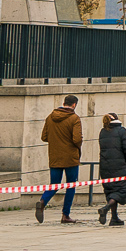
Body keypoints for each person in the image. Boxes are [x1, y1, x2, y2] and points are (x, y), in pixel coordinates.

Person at [36, 95, 83, 223]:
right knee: (71, 185)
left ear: (63, 103)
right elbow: (77, 139)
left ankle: (42, 201)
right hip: (70, 158)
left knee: (54, 184)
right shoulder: (74, 118)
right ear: (74, 105)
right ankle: (65, 215)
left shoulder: (50, 117)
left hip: (55, 156)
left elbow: (44, 137)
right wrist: (76, 147)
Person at [95, 113, 126, 227]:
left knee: (110, 191)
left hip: (105, 166)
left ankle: (114, 217)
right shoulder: (122, 131)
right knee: (122, 189)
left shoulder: (103, 132)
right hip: (119, 166)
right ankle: (106, 208)